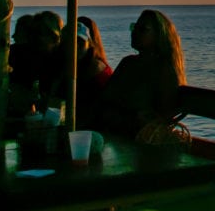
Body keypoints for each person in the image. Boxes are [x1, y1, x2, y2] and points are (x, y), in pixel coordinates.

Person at [96, 9, 185, 138]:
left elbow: (163, 117)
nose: (135, 32)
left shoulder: (163, 71)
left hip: (140, 139)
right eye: (134, 27)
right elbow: (104, 100)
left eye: (142, 29)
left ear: (159, 35)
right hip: (115, 133)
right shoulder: (127, 63)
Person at [59, 16, 113, 124]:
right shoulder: (67, 67)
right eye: (70, 42)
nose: (75, 46)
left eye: (80, 42)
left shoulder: (95, 69)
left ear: (89, 44)